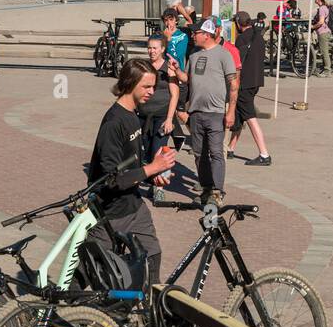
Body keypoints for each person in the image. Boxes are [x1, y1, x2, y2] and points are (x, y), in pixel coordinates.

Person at [87, 58, 177, 281]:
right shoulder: (113, 123)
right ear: (129, 83)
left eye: (154, 86)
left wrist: (153, 174)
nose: (152, 92)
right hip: (110, 212)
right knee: (92, 275)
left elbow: (132, 169)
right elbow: (110, 179)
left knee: (151, 256)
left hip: (134, 206)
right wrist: (151, 168)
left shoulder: (134, 117)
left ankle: (149, 308)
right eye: (146, 86)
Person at [186, 18, 238, 206]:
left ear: (206, 35)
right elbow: (188, 79)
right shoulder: (193, 55)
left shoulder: (224, 55)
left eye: (196, 33)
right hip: (196, 112)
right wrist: (176, 71)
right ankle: (206, 188)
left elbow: (234, 85)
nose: (193, 36)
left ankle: (217, 192)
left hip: (216, 112)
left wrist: (230, 111)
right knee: (199, 153)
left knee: (216, 153)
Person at [137, 35, 182, 204]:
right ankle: (152, 182)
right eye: (149, 48)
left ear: (163, 49)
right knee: (147, 151)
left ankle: (160, 189)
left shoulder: (167, 67)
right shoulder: (144, 67)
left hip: (163, 116)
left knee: (159, 151)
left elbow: (175, 93)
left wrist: (170, 118)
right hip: (143, 117)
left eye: (155, 48)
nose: (151, 51)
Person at [227, 11, 271, 166]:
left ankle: (264, 154)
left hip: (244, 83)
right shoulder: (258, 35)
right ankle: (230, 148)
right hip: (256, 81)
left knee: (250, 117)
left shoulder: (242, 39)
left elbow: (237, 63)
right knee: (239, 114)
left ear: (239, 23)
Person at [312, 0, 333, 76]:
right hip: (325, 31)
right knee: (324, 51)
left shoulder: (322, 8)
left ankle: (327, 71)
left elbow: (321, 22)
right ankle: (323, 68)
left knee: (324, 52)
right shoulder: (324, 7)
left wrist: (313, 27)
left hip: (323, 33)